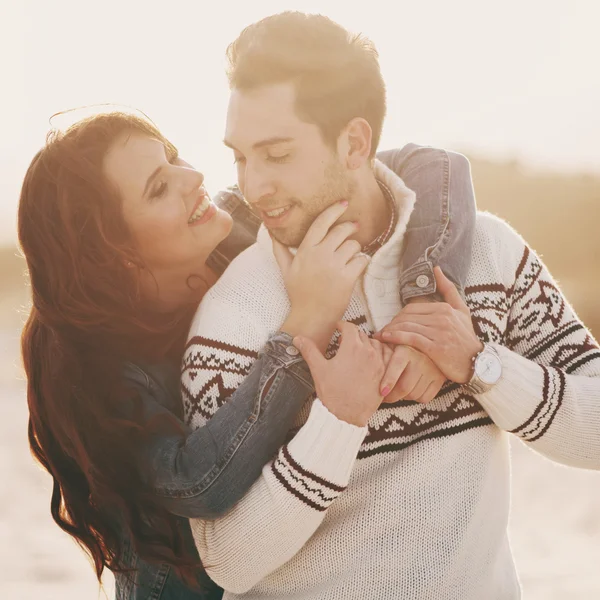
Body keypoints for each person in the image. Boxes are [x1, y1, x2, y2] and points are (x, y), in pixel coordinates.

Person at [182, 12, 600, 600]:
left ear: (354, 142)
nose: (252, 187)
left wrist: (481, 366)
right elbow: (226, 558)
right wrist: (339, 420)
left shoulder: (487, 255)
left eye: (276, 155)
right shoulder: (236, 314)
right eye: (240, 157)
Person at [17, 107, 476, 600]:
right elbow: (196, 486)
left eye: (172, 158)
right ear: (113, 251)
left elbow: (434, 166)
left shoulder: (236, 222)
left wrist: (424, 308)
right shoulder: (96, 375)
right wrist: (305, 325)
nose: (191, 177)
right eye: (157, 187)